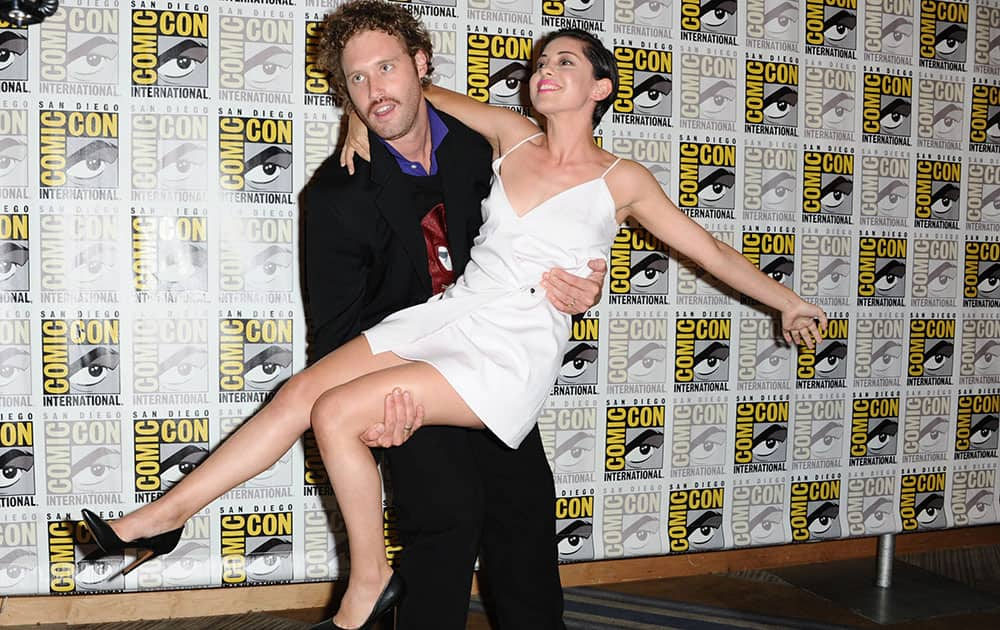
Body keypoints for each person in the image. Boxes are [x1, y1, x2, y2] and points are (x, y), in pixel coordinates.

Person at [83, 3, 604, 630]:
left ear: (421, 66)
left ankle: (165, 517)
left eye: (387, 69)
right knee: (443, 521)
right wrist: (368, 413)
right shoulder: (336, 195)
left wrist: (583, 284)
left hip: (491, 359)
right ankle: (167, 517)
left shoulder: (488, 147)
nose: (375, 90)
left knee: (524, 528)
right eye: (357, 80)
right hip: (404, 367)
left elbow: (570, 210)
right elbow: (336, 333)